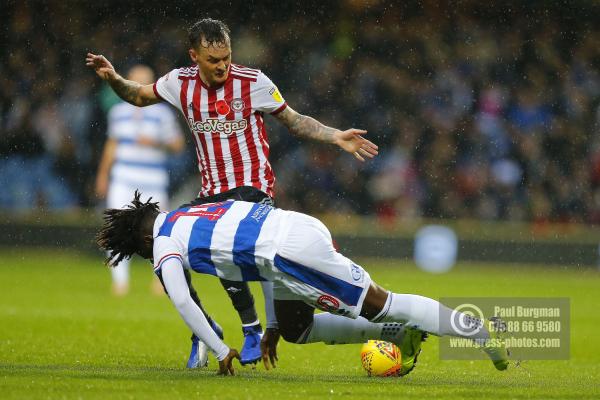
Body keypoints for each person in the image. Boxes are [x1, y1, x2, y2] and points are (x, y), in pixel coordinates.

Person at [86, 18, 379, 367]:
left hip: (252, 188)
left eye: (226, 56)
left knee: (232, 255)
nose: (222, 65)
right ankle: (207, 326)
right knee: (161, 246)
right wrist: (114, 79)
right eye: (213, 60)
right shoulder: (178, 83)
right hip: (211, 193)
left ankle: (253, 328)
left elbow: (294, 120)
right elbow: (138, 94)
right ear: (194, 56)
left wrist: (335, 136)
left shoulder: (253, 82)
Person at [96, 192, 510, 376]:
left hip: (288, 253)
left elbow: (184, 301)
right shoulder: (191, 213)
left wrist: (222, 351)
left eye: (140, 253)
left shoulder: (164, 242)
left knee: (381, 303)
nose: (149, 259)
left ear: (142, 241)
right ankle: (401, 336)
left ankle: (472, 330)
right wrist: (271, 324)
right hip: (292, 229)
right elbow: (256, 259)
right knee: (296, 329)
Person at [95, 65, 184, 296]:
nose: (139, 86)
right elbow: (112, 144)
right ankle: (120, 281)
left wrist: (155, 142)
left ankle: (161, 279)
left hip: (152, 179)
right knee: (116, 228)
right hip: (123, 177)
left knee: (159, 232)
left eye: (145, 81)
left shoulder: (162, 113)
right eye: (136, 81)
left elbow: (177, 145)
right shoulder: (118, 111)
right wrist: (103, 175)